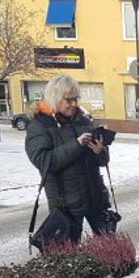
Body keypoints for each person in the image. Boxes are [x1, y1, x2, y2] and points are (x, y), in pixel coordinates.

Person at [25, 74, 110, 243]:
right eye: (68, 100)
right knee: (69, 257)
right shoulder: (40, 126)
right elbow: (44, 162)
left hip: (94, 198)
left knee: (112, 252)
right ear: (55, 98)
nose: (74, 104)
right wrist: (76, 145)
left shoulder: (83, 121)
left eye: (76, 99)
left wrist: (100, 151)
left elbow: (103, 161)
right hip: (66, 204)